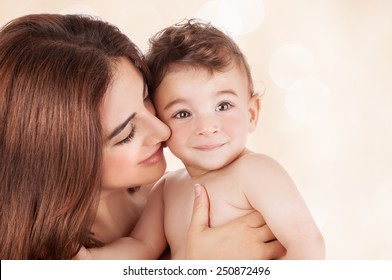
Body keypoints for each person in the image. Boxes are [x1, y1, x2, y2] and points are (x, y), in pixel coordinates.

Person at [0, 14, 285, 260]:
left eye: (147, 99)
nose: (162, 131)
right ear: (60, 162)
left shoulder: (179, 191)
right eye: (126, 134)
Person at [82, 19, 325, 260]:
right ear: (162, 123)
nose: (207, 127)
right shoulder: (167, 189)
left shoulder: (257, 172)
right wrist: (91, 261)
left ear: (251, 113)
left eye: (223, 105)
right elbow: (141, 245)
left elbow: (306, 241)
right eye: (183, 114)